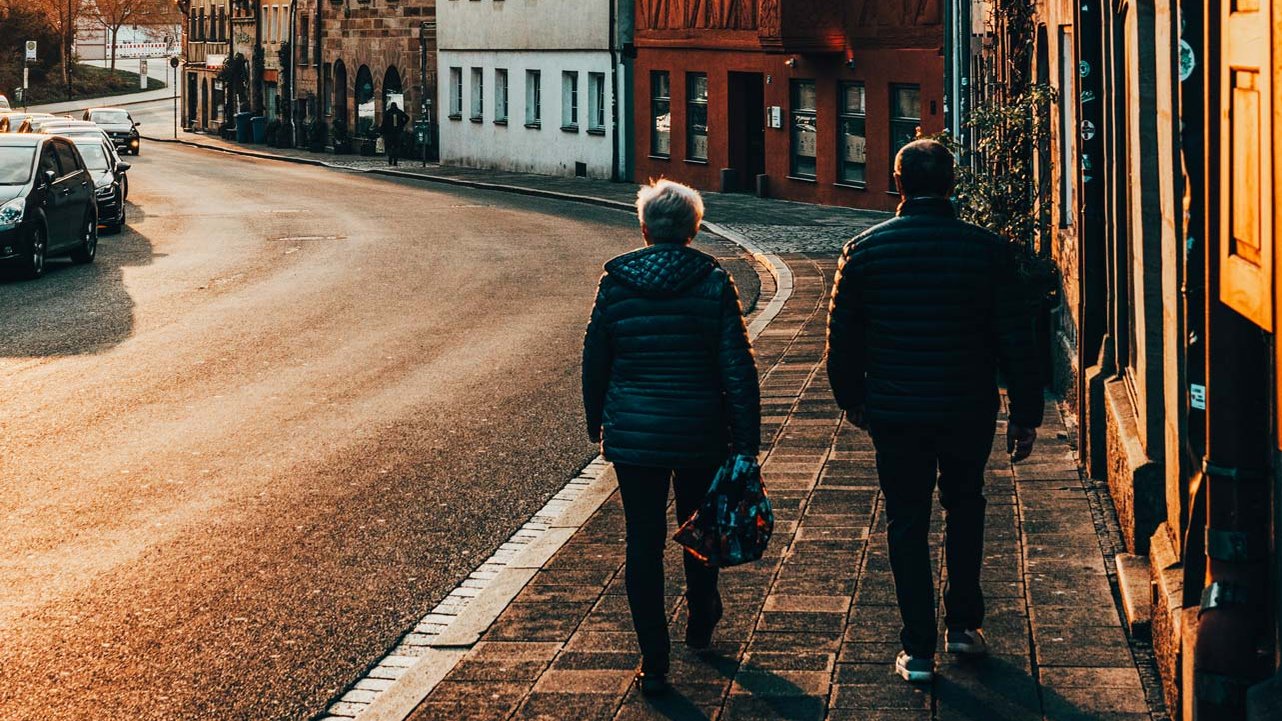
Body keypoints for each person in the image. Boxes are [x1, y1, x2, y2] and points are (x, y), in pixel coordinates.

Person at [825, 139, 1042, 683]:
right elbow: (1015, 335)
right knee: (966, 505)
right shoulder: (986, 250)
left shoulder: (865, 251)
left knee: (906, 520)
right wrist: (1025, 411)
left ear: (898, 185)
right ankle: (964, 627)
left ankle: (918, 648)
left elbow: (843, 338)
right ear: (952, 185)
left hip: (896, 409)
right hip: (967, 406)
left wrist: (851, 397)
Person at [582, 179, 760, 697]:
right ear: (694, 229)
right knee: (700, 527)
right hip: (702, 431)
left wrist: (598, 421)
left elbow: (596, 358)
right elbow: (737, 367)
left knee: (642, 541)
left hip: (636, 435)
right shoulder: (712, 279)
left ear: (643, 229)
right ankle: (702, 616)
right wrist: (746, 441)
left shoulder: (615, 281)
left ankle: (654, 658)